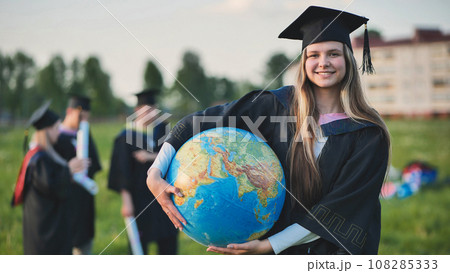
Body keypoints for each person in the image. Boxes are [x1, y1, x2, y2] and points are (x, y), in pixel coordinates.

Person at [146, 6, 390, 255]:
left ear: (347, 58)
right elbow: (193, 124)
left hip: (329, 253)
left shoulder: (369, 133)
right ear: (304, 61)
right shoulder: (276, 106)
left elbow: (338, 210)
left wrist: (269, 246)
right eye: (314, 55)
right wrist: (154, 173)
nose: (323, 63)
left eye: (333, 54)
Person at [11, 102, 88, 254]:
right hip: (45, 232)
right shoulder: (38, 160)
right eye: (56, 128)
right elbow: (52, 186)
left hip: (52, 227)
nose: (59, 132)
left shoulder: (45, 156)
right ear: (47, 130)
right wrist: (68, 169)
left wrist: (69, 173)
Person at [108, 89, 178, 255]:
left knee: (168, 242)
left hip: (163, 193)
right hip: (138, 198)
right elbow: (121, 171)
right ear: (137, 110)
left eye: (153, 109)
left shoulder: (163, 130)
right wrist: (126, 201)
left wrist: (150, 156)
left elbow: (174, 157)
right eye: (146, 110)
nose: (151, 114)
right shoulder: (126, 136)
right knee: (139, 245)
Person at [53, 94, 102, 255]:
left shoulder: (85, 133)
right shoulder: (56, 137)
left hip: (83, 201)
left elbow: (95, 163)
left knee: (83, 246)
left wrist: (86, 168)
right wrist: (69, 172)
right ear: (69, 111)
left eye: (86, 118)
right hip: (64, 200)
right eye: (80, 117)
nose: (83, 122)